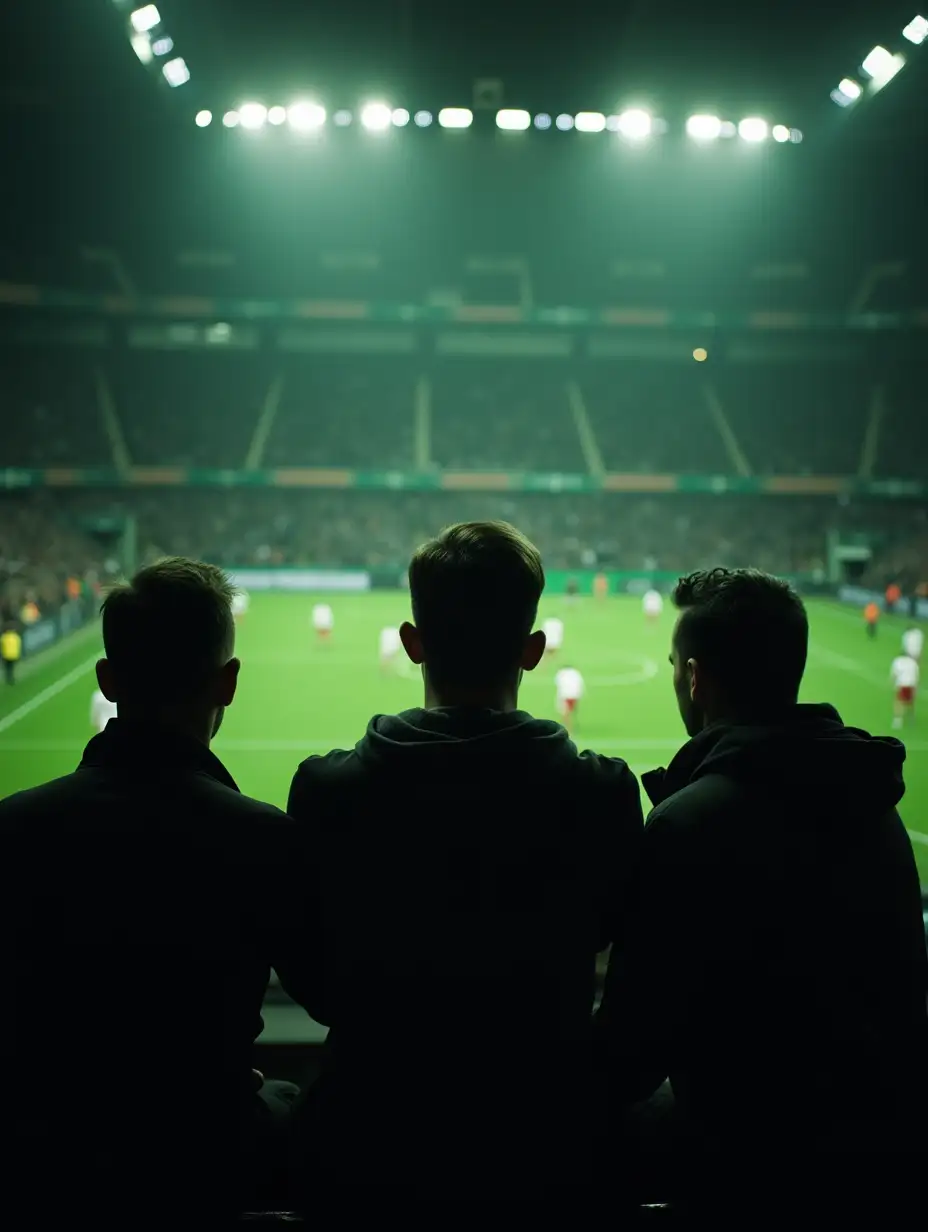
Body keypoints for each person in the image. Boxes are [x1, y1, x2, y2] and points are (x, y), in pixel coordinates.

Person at [287, 521, 643, 1194]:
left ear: (412, 643)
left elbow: (310, 975)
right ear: (534, 650)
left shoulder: (326, 791)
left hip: (369, 1145)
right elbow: (622, 960)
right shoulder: (603, 794)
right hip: (551, 1147)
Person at [596, 568, 928, 1203]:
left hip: (747, 1170)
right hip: (882, 1166)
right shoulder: (874, 802)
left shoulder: (691, 822)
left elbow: (627, 1058)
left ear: (694, 677)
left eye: (674, 665)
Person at [0, 558, 320, 1217]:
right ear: (227, 684)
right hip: (207, 1153)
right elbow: (329, 992)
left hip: (43, 1159)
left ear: (107, 681)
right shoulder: (262, 838)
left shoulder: (14, 829)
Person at [890, 650, 919, 729]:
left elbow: (894, 674)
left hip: (902, 684)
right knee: (910, 702)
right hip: (911, 684)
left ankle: (897, 720)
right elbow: (916, 675)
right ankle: (911, 717)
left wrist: (893, 683)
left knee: (899, 702)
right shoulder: (913, 662)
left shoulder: (898, 661)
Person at [555, 664, 584, 736]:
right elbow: (580, 684)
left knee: (565, 714)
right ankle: (568, 728)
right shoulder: (576, 673)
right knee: (569, 712)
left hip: (565, 695)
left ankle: (568, 730)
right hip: (575, 695)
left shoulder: (561, 673)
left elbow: (558, 683)